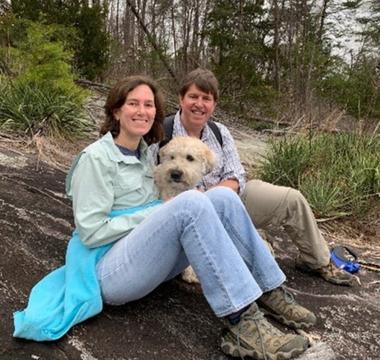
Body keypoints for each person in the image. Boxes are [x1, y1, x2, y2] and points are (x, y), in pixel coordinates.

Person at [65, 75, 316, 359]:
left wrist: (164, 210)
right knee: (191, 202)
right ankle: (242, 322)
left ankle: (268, 287)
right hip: (110, 272)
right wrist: (156, 212)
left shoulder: (148, 153)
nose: (142, 110)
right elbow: (90, 232)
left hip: (148, 260)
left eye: (148, 105)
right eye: (132, 103)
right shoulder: (95, 158)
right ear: (116, 110)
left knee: (222, 197)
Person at [151, 68, 353, 286]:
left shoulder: (220, 132)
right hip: (183, 207)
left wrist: (214, 198)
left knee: (291, 199)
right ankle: (250, 238)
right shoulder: (162, 132)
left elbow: (236, 175)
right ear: (181, 99)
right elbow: (152, 179)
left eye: (206, 99)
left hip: (229, 198)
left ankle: (318, 261)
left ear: (213, 105)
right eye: (193, 97)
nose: (199, 104)